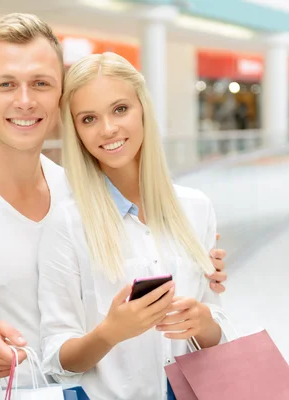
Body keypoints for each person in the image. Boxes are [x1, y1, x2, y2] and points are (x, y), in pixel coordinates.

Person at [0, 13, 228, 396]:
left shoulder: (75, 190)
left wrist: (195, 265)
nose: (25, 100)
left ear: (60, 97)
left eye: (41, 83)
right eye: (6, 84)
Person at [37, 52, 229, 400]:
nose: (108, 128)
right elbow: (55, 356)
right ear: (76, 131)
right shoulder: (67, 223)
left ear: (143, 108)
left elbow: (215, 326)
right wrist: (110, 332)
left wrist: (203, 324)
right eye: (89, 118)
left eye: (120, 109)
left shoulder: (196, 209)